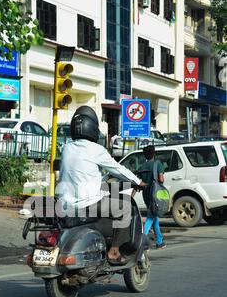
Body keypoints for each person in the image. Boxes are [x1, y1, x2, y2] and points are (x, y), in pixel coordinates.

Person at [56, 106, 147, 265]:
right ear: (93, 128)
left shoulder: (66, 148)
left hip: (65, 203)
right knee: (124, 208)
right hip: (87, 203)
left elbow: (87, 174)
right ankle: (114, 251)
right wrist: (138, 181)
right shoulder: (96, 149)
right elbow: (117, 169)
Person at [137, 145, 166, 249]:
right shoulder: (157, 164)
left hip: (146, 195)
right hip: (155, 195)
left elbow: (138, 183)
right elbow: (161, 179)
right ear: (154, 154)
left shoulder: (142, 167)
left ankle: (159, 241)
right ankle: (142, 241)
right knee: (150, 217)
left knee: (155, 217)